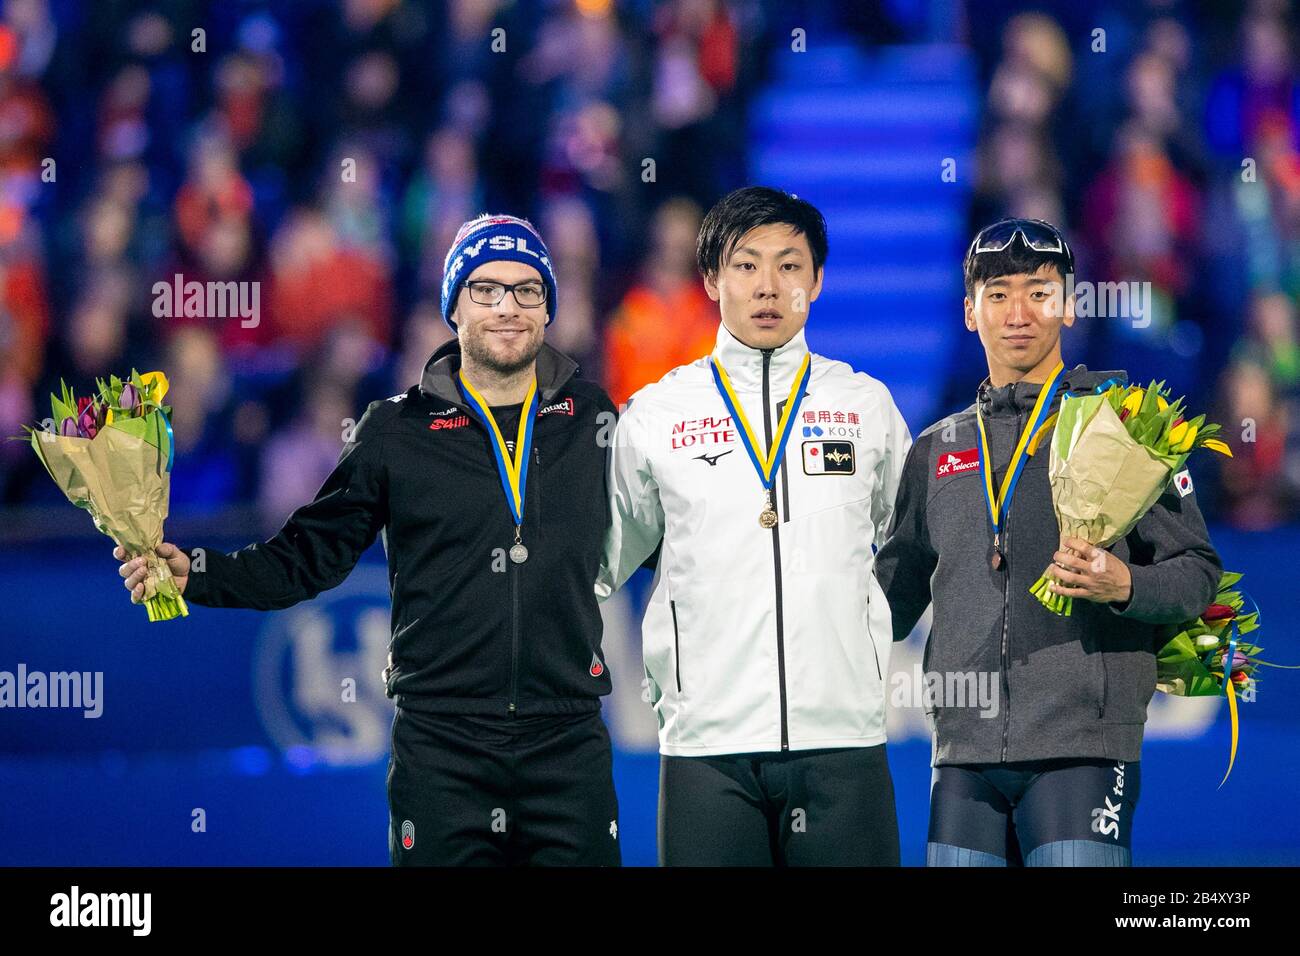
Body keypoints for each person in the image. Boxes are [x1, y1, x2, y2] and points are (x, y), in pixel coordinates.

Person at [117, 214, 621, 866]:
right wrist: (200, 573)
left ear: (549, 307)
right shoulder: (393, 432)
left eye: (528, 290)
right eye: (486, 288)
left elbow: (669, 536)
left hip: (567, 742)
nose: (508, 306)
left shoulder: (597, 422)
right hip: (443, 751)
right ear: (453, 306)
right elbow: (306, 558)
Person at [873, 218, 1222, 866]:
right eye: (998, 293)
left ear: (1068, 303)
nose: (1018, 312)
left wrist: (1126, 585)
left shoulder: (1124, 425)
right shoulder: (938, 448)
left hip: (1084, 748)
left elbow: (1199, 571)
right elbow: (883, 608)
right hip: (962, 756)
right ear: (970, 312)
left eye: (1039, 291)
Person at [597, 186, 910, 866]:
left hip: (843, 742)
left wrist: (866, 635)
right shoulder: (655, 416)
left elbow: (917, 543)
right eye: (746, 265)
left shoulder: (865, 406)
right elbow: (601, 563)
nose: (769, 286)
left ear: (818, 281)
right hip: (706, 749)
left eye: (790, 265)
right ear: (711, 279)